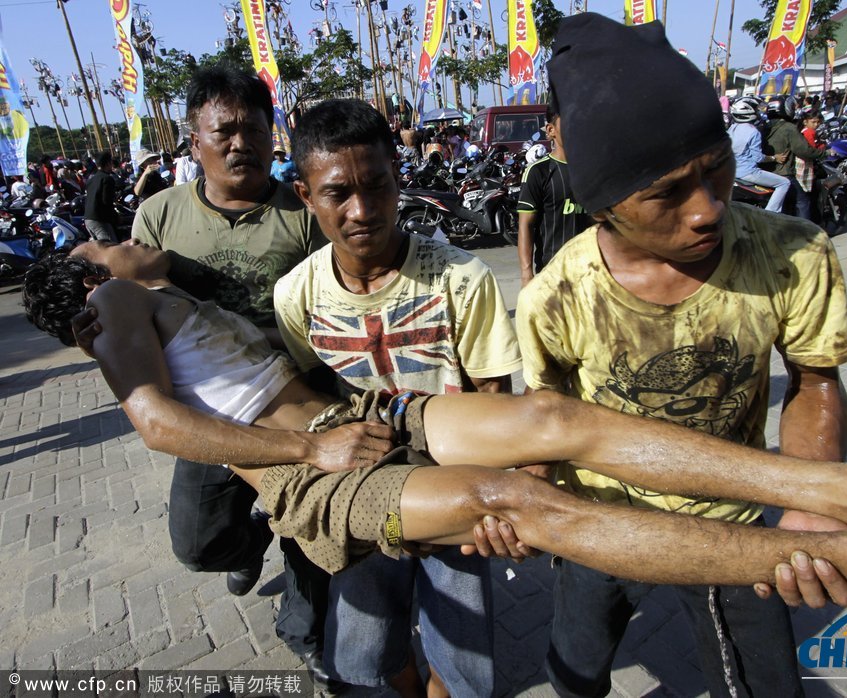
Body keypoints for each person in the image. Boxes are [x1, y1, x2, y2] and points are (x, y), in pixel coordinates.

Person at [21, 243, 847, 617]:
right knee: (521, 501)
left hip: (360, 419)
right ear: (84, 269)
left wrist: (339, 424)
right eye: (102, 239)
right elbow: (156, 424)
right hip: (317, 473)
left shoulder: (149, 289)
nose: (124, 233)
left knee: (553, 417)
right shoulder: (112, 306)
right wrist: (307, 450)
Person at [517, 14, 847, 698]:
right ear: (603, 205)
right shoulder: (555, 298)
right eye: (667, 192)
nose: (706, 209)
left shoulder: (791, 254)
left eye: (716, 168)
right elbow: (545, 424)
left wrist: (815, 500)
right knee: (575, 673)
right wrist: (522, 500)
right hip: (604, 523)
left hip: (729, 526)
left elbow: (816, 381)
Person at [275, 98, 520, 698]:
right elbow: (303, 399)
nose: (362, 210)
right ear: (307, 196)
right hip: (363, 500)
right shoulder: (297, 295)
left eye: (377, 185)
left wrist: (486, 499)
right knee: (364, 651)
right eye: (337, 193)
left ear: (397, 175)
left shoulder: (461, 278)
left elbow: (495, 400)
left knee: (464, 661)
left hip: (454, 492)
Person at [123, 65, 332, 684]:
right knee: (198, 545)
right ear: (195, 144)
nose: (240, 143)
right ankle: (250, 541)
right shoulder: (157, 217)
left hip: (295, 405)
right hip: (210, 420)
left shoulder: (302, 214)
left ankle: (306, 633)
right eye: (223, 132)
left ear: (275, 134)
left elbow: (329, 310)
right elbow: (135, 309)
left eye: (253, 128)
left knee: (311, 539)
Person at [517, 104, 592, 286]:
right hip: (552, 273)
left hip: (591, 272)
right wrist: (527, 273)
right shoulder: (538, 172)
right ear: (551, 130)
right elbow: (526, 225)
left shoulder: (593, 170)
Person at [766, 95, 825, 221]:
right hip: (784, 172)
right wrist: (825, 153)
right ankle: (806, 233)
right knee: (803, 201)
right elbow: (804, 150)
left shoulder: (764, 126)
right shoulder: (789, 128)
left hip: (764, 173)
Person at [728, 96, 790, 213]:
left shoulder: (732, 128)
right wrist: (774, 158)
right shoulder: (753, 131)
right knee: (784, 183)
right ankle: (770, 214)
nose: (758, 112)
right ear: (749, 112)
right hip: (748, 172)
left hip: (732, 171)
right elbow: (758, 158)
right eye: (756, 110)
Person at [83, 152, 120, 243]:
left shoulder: (92, 179)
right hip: (99, 219)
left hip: (88, 218)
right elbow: (107, 201)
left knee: (101, 247)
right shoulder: (107, 179)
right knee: (111, 247)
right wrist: (116, 216)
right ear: (108, 163)